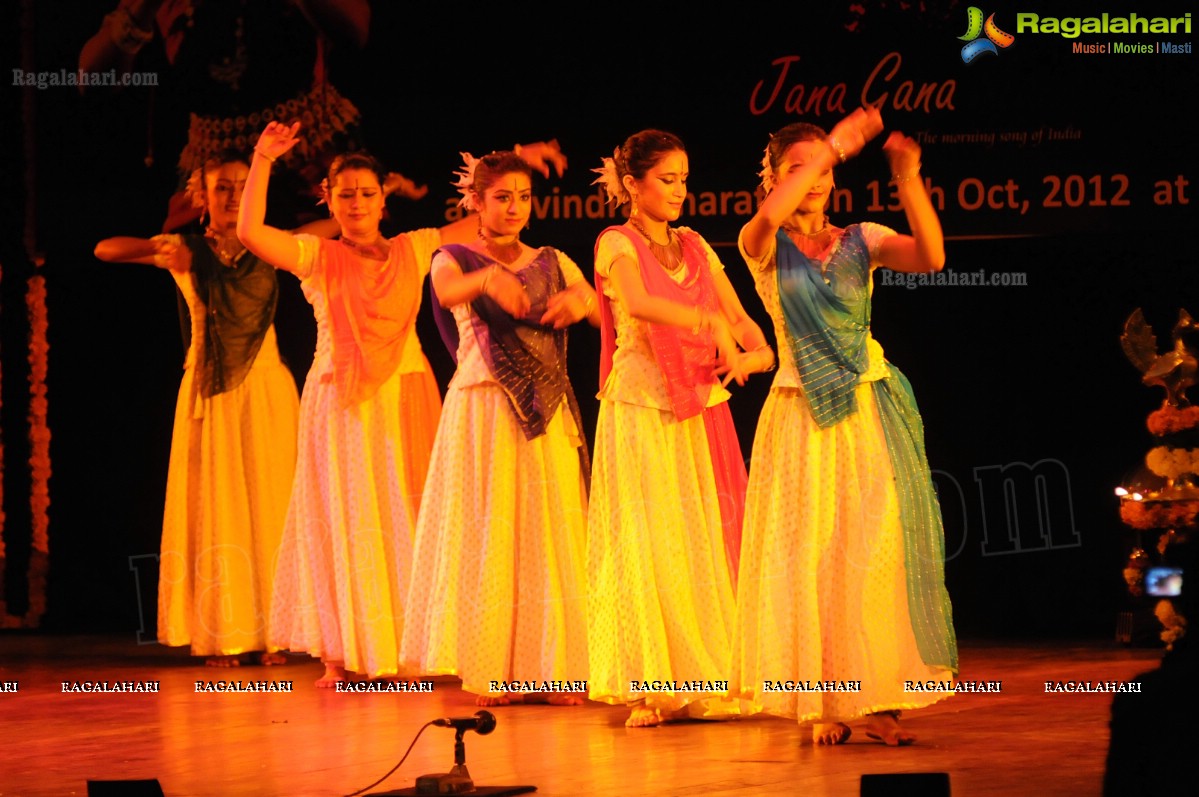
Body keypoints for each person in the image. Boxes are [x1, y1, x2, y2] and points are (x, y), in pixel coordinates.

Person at [237, 120, 565, 686]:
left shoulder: (417, 248)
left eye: (368, 193)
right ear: (330, 201)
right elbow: (249, 234)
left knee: (408, 515)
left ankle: (412, 647)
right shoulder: (315, 255)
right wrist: (262, 160)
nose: (358, 203)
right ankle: (344, 650)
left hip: (406, 391)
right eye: (346, 195)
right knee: (344, 518)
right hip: (339, 397)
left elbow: (485, 214)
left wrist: (519, 159)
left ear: (383, 197)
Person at [731, 108, 959, 746]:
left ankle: (878, 696)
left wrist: (909, 179)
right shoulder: (762, 244)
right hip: (797, 411)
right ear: (773, 177)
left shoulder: (860, 237)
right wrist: (830, 146)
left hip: (863, 408)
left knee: (870, 553)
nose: (816, 179)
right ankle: (824, 700)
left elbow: (933, 258)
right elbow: (768, 218)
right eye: (797, 170)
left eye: (824, 169)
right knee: (810, 556)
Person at [587, 130, 773, 727]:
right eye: (666, 180)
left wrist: (751, 353)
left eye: (683, 179)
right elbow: (638, 303)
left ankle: (704, 673)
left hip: (695, 406)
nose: (678, 191)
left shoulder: (694, 244)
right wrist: (703, 320)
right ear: (631, 185)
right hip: (640, 407)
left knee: (696, 537)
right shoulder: (615, 243)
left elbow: (742, 320)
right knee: (644, 541)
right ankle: (649, 684)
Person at [401, 150, 598, 706]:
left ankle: (555, 668)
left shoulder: (554, 259)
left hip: (546, 407)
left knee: (546, 533)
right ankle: (492, 670)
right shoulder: (454, 255)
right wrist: (489, 277)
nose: (514, 208)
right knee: (490, 536)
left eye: (523, 197)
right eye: (502, 197)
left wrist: (582, 299)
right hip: (483, 407)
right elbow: (444, 292)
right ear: (476, 202)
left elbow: (606, 312)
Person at [94, 150, 300, 667]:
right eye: (222, 187)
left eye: (241, 186)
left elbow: (334, 230)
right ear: (202, 196)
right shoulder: (187, 250)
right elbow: (105, 250)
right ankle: (222, 633)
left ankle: (273, 632)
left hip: (266, 385)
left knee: (269, 504)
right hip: (211, 387)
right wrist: (168, 243)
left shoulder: (271, 245)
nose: (232, 196)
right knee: (219, 507)